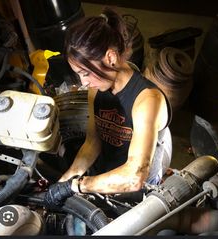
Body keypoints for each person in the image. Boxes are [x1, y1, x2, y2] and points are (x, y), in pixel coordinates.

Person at [44, 7, 172, 207]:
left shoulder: (147, 100)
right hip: (103, 177)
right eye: (78, 74)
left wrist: (78, 186)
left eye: (85, 73)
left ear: (111, 58)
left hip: (137, 193)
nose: (83, 82)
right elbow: (93, 142)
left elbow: (134, 176)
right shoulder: (97, 89)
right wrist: (65, 181)